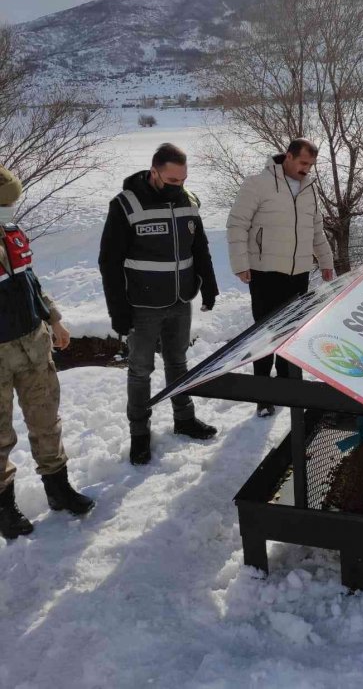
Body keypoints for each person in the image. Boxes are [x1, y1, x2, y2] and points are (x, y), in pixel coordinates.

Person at [98, 143, 219, 465]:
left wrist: (209, 286)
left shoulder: (189, 201)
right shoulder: (125, 205)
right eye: (172, 180)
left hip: (181, 300)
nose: (178, 186)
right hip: (143, 305)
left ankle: (184, 419)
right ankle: (140, 434)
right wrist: (118, 311)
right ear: (154, 172)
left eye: (183, 180)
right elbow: (109, 262)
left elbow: (201, 248)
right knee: (140, 370)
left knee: (178, 362)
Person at [0, 165, 94, 539]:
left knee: (46, 420)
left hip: (33, 343)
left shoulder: (12, 233)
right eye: (5, 203)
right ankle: (4, 509)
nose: (11, 209)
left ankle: (58, 489)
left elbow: (30, 282)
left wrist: (53, 319)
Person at [226, 139, 334, 416]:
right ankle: (263, 396)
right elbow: (237, 224)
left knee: (292, 330)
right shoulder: (257, 184)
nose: (306, 169)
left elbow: (316, 229)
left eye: (310, 165)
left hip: (298, 273)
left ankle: (288, 385)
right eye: (302, 163)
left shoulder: (309, 189)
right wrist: (240, 263)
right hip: (264, 272)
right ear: (288, 156)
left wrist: (325, 262)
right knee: (264, 333)